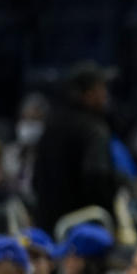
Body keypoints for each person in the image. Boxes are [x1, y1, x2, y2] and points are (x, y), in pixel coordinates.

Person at [33, 61, 118, 232]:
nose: (105, 95)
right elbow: (97, 178)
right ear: (87, 94)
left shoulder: (50, 126)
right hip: (82, 234)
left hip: (48, 229)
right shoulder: (94, 129)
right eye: (101, 89)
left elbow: (35, 180)